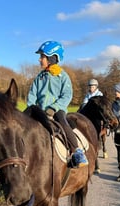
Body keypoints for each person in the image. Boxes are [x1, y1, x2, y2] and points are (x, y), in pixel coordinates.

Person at [27, 40, 88, 168]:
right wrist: (30, 108)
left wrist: (54, 107)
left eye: (42, 57)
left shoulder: (63, 76)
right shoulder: (39, 77)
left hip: (57, 110)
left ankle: (77, 152)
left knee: (63, 124)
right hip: (40, 110)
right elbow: (32, 95)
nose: (39, 60)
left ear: (52, 58)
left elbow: (66, 95)